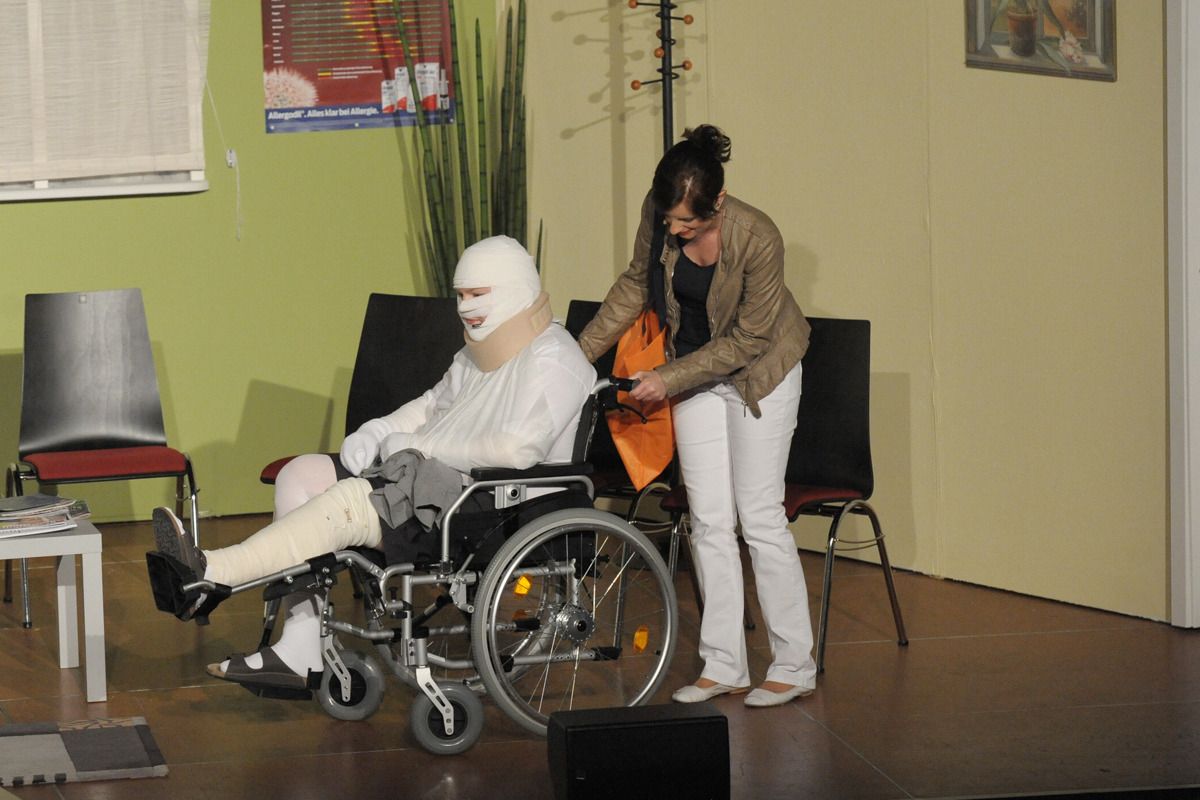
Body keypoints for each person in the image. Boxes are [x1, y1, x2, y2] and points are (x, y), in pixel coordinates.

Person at [152, 235, 596, 690]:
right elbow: (431, 405)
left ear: (514, 288)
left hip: (491, 505)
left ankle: (212, 572)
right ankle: (300, 647)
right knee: (300, 475)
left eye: (477, 294)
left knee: (350, 502)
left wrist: (420, 446)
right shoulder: (478, 354)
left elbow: (516, 450)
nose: (466, 307)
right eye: (460, 295)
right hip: (432, 478)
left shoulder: (556, 358)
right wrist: (376, 432)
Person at [577, 125, 816, 708]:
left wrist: (668, 378)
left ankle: (794, 665)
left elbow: (749, 340)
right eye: (670, 220)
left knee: (759, 515)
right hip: (693, 370)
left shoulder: (759, 236)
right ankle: (724, 664)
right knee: (707, 521)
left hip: (760, 374)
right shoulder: (660, 212)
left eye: (689, 223)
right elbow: (635, 285)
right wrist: (576, 357)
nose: (676, 231)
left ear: (720, 202)